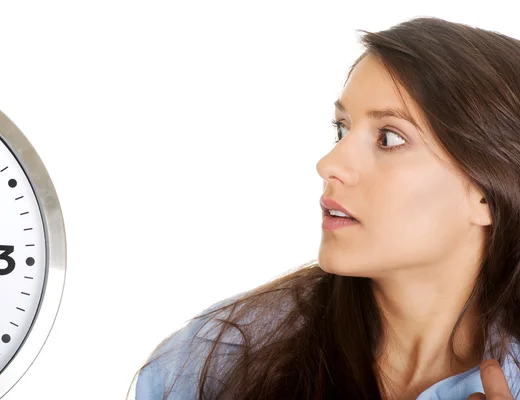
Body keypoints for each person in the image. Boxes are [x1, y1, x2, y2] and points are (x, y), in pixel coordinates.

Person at [127, 16, 520, 399]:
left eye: (388, 137)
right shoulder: (215, 356)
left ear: (486, 192)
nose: (329, 164)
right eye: (342, 129)